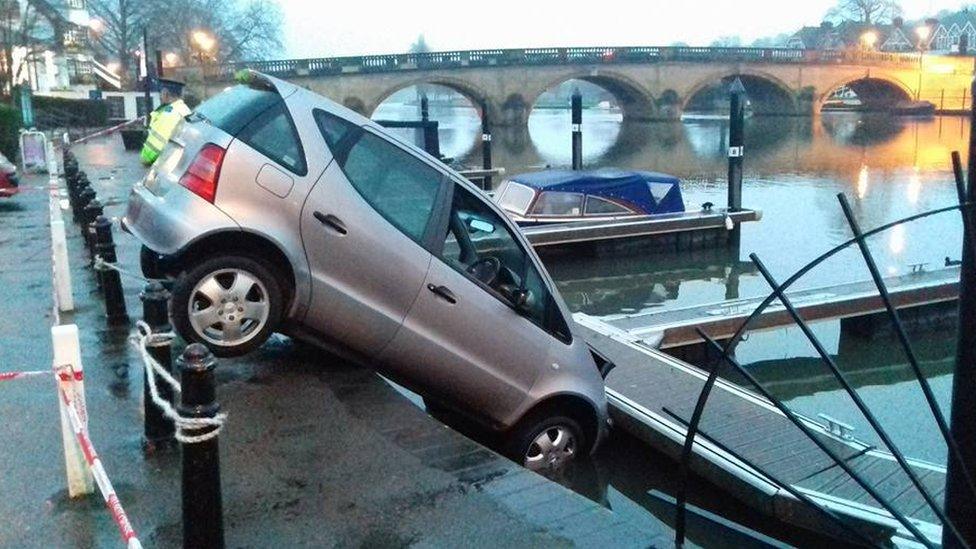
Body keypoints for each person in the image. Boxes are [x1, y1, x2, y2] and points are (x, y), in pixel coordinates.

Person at [140, 78, 192, 165]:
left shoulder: (167, 115)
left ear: (166, 93)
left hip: (164, 164)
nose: (160, 96)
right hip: (178, 162)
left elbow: (154, 148)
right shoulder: (183, 109)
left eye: (161, 93)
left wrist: (144, 159)